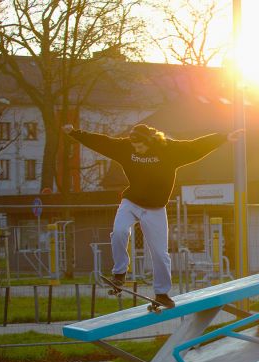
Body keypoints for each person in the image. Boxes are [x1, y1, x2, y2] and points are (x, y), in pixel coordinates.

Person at [63, 123, 243, 308]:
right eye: (135, 147)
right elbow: (102, 142)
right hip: (131, 202)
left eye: (140, 146)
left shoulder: (168, 150)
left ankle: (162, 293)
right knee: (119, 232)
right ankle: (119, 274)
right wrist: (75, 133)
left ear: (149, 141)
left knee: (160, 253)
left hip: (155, 209)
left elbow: (194, 147)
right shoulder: (126, 147)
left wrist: (223, 138)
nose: (137, 150)